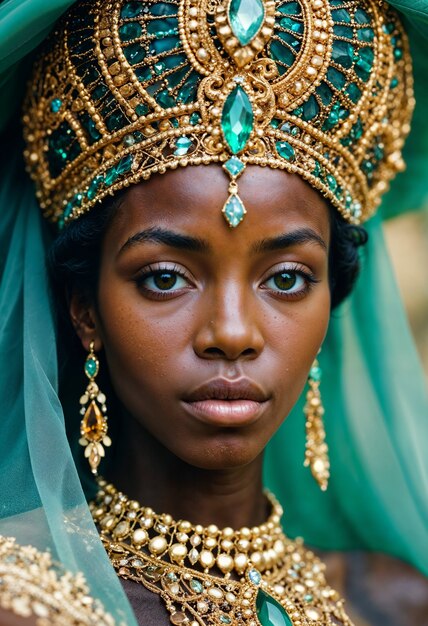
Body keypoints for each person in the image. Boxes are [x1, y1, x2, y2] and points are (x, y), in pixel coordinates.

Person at [0, 0, 427, 624]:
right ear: (85, 308)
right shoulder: (28, 600)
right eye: (166, 278)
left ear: (332, 302)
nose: (231, 333)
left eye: (286, 279)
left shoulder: (393, 604)